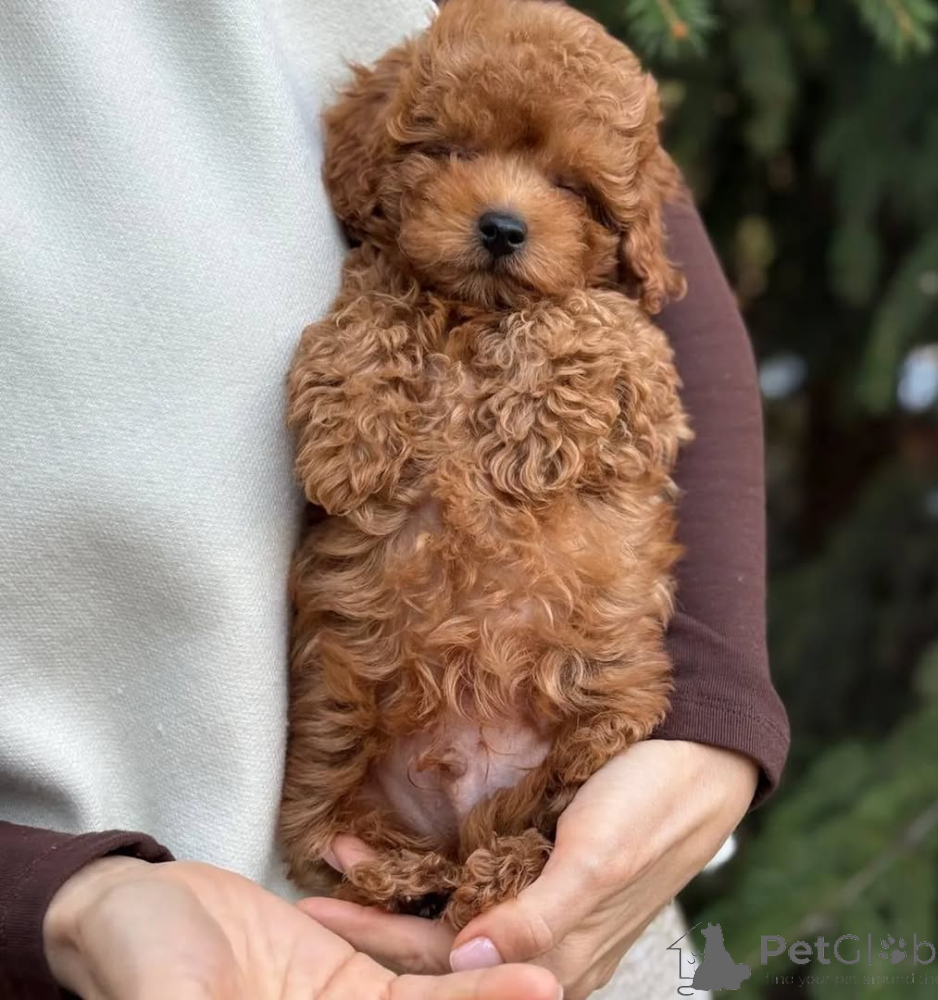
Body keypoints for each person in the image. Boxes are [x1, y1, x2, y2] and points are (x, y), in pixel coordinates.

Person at [0, 0, 789, 997]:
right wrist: (52, 897)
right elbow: (344, 459)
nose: (504, 208)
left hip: (578, 885)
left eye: (565, 186)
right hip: (264, 862)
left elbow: (665, 302)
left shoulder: (519, 79)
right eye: (451, 152)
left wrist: (711, 724)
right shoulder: (380, 278)